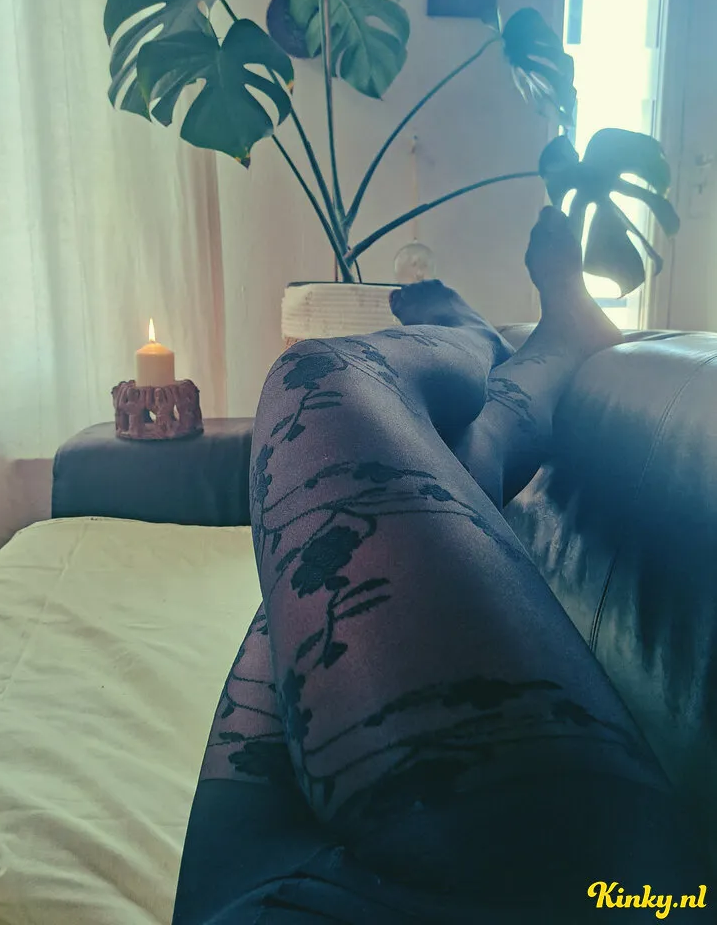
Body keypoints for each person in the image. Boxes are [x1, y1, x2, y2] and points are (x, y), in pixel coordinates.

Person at [173, 208, 706, 923]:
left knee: (337, 550)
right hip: (564, 894)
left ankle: (529, 352)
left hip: (233, 899)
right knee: (319, 377)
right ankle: (491, 342)